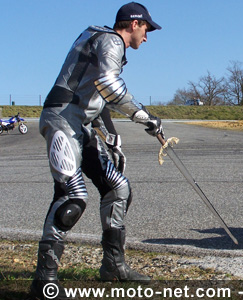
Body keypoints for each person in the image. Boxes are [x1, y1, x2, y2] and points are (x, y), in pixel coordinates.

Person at [31, 2, 163, 298]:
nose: (147, 36)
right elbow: (108, 84)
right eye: (146, 28)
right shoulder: (111, 40)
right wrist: (144, 116)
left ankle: (113, 266)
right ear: (133, 24)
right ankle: (44, 280)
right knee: (72, 197)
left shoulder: (102, 39)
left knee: (118, 187)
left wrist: (111, 137)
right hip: (62, 119)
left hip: (80, 123)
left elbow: (97, 95)